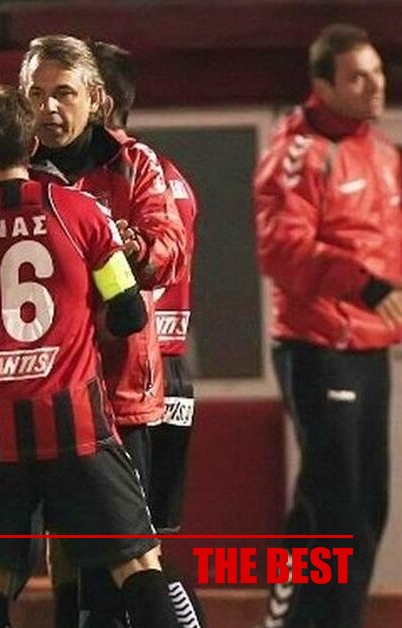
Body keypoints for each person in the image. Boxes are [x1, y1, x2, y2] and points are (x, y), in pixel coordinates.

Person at [0, 77, 179, 628]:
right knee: (139, 566)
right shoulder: (80, 212)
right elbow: (129, 313)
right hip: (75, 425)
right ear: (31, 145)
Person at [18, 34, 188, 628]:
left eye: (63, 93)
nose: (49, 108)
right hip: (35, 396)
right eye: (36, 94)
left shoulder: (136, 164)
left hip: (118, 394)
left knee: (125, 560)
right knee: (40, 560)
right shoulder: (9, 169)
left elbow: (169, 252)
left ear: (95, 97)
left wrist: (119, 243)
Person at [254, 24, 400, 628]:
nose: (374, 85)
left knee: (365, 506)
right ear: (323, 84)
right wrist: (366, 285)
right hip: (318, 346)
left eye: (377, 72)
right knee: (334, 505)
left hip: (371, 348)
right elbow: (282, 249)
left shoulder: (382, 152)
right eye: (357, 77)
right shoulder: (299, 152)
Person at [86, 40, 206, 627]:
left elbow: (150, 265)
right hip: (173, 372)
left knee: (131, 544)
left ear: (100, 100)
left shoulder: (125, 178)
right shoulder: (169, 176)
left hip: (136, 374)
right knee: (142, 541)